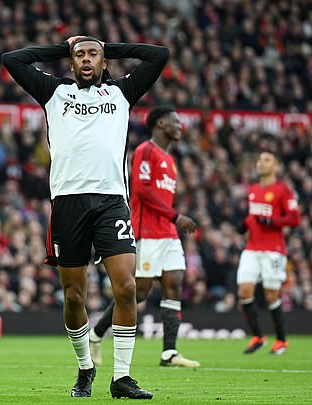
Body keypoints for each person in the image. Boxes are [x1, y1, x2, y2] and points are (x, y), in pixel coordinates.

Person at [2, 36, 169, 399]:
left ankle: (122, 378)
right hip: (68, 204)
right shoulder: (54, 92)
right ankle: (85, 368)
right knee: (74, 296)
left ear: (104, 61)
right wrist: (64, 46)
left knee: (127, 288)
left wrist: (107, 45)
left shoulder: (122, 93)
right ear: (71, 62)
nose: (86, 59)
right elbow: (12, 59)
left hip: (111, 202)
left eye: (93, 54)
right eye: (80, 55)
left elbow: (159, 55)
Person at [89, 105, 201, 369]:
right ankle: (95, 335)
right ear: (161, 124)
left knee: (174, 285)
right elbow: (142, 190)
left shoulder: (170, 160)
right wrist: (175, 216)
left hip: (168, 234)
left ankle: (169, 353)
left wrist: (172, 220)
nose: (180, 126)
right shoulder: (145, 151)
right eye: (175, 121)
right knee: (138, 293)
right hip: (147, 232)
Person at [236, 147, 300, 355]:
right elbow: (253, 216)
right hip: (252, 248)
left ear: (275, 166)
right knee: (244, 290)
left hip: (274, 250)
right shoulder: (253, 189)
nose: (261, 163)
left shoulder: (283, 190)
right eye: (259, 160)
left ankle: (281, 340)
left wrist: (273, 221)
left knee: (271, 295)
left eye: (266, 160)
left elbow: (294, 218)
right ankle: (258, 336)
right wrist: (244, 225)